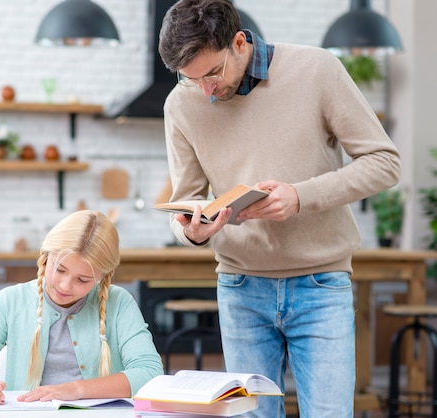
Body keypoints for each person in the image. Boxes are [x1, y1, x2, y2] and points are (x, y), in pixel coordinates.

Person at [157, 1, 401, 417]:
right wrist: (192, 231)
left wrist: (301, 196)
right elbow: (187, 200)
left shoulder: (317, 70)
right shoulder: (181, 105)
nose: (205, 91)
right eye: (189, 78)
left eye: (212, 73)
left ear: (239, 42)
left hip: (321, 287)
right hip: (240, 289)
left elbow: (384, 162)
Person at [0, 210, 163, 405]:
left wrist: (76, 390)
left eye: (83, 280)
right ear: (46, 257)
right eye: (60, 270)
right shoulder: (9, 301)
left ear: (102, 276)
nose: (65, 286)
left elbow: (150, 372)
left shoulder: (119, 303)